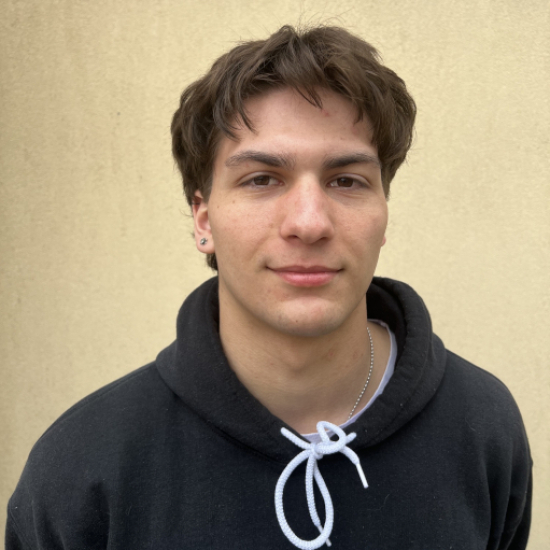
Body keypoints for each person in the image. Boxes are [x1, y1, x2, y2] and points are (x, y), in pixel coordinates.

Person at [6, 25, 531, 550]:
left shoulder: (481, 426)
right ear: (203, 219)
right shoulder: (83, 466)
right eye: (261, 179)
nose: (309, 223)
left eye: (346, 180)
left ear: (383, 214)